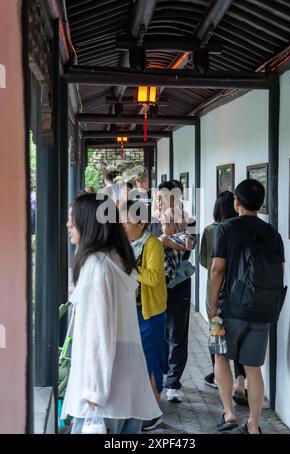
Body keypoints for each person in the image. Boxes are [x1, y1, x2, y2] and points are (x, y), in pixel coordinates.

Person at [61, 193, 162, 434]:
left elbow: (99, 333)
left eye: (72, 219)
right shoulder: (117, 259)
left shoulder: (97, 266)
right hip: (126, 387)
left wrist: (94, 392)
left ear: (89, 223)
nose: (68, 225)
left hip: (102, 399)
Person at [210, 180, 285, 434]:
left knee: (221, 356)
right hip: (263, 309)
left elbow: (218, 269)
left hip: (231, 308)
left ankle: (229, 413)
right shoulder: (272, 232)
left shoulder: (226, 229)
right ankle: (254, 425)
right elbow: (281, 271)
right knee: (253, 366)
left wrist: (212, 308)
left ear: (236, 202)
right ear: (260, 203)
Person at [120, 200, 167, 431]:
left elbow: (154, 278)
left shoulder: (152, 245)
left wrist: (128, 266)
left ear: (141, 223)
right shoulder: (126, 244)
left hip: (149, 313)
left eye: (126, 221)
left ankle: (154, 412)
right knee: (135, 360)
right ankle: (142, 406)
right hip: (130, 312)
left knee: (149, 360)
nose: (123, 225)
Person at [200, 191, 248, 405]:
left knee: (217, 340)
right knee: (240, 339)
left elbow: (204, 262)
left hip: (215, 294)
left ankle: (219, 377)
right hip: (238, 293)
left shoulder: (210, 230)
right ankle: (239, 380)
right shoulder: (240, 230)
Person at [152, 181, 196, 402]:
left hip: (178, 286)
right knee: (158, 331)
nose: (160, 200)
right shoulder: (149, 221)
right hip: (153, 286)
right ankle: (159, 376)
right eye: (158, 196)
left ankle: (173, 384)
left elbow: (189, 243)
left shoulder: (187, 220)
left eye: (165, 197)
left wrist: (166, 241)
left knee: (177, 332)